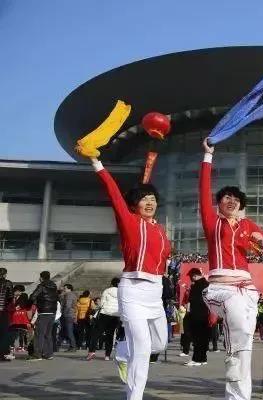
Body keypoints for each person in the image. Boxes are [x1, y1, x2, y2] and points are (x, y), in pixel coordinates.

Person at [199, 140, 263, 400]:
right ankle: (232, 359)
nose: (231, 201)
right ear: (219, 202)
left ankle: (238, 396)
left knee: (246, 339)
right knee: (238, 324)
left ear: (241, 204)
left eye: (235, 199)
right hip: (220, 288)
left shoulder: (247, 225)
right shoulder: (212, 222)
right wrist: (208, 156)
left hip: (247, 289)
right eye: (226, 197)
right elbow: (203, 190)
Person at [88, 155, 171, 400]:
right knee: (143, 349)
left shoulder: (160, 230)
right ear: (134, 205)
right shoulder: (129, 222)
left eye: (153, 199)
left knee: (159, 344)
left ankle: (123, 351)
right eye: (144, 199)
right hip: (133, 289)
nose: (149, 202)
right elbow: (114, 194)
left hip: (155, 292)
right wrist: (97, 164)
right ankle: (134, 396)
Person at [87, 278, 120, 361]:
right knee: (110, 335)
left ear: (111, 283)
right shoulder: (121, 292)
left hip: (104, 313)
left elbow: (102, 303)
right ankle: (107, 355)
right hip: (115, 315)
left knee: (96, 333)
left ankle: (92, 351)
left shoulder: (107, 291)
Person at [28, 271, 58, 361]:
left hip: (43, 312)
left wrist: (33, 303)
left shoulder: (41, 286)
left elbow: (33, 296)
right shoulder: (54, 286)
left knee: (39, 334)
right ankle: (48, 354)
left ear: (41, 278)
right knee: (48, 334)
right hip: (52, 312)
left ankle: (37, 355)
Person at [185, 268, 210, 367]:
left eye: (191, 276)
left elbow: (192, 300)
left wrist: (189, 311)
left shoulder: (196, 285)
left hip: (196, 314)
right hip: (205, 314)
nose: (190, 278)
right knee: (204, 338)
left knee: (197, 338)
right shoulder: (207, 284)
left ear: (194, 275)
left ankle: (196, 359)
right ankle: (203, 358)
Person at [59, 284, 78, 352]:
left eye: (65, 288)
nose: (64, 289)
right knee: (68, 331)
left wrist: (63, 312)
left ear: (69, 289)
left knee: (69, 331)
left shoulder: (69, 295)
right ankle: (72, 346)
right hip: (70, 314)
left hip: (68, 314)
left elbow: (68, 305)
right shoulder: (71, 295)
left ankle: (73, 347)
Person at [0, 267, 13, 361]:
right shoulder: (8, 283)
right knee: (4, 333)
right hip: (3, 311)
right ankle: (2, 354)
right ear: (5, 274)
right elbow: (10, 297)